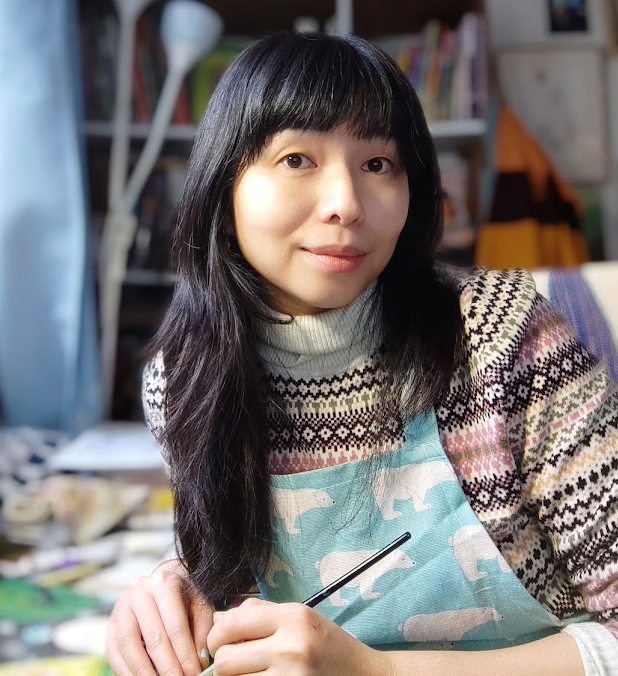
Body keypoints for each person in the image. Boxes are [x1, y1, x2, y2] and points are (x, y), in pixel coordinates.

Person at [105, 32, 618, 676]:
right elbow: (238, 598)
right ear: (222, 182)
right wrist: (180, 592)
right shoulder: (182, 377)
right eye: (297, 159)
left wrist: (378, 672)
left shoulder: (500, 335)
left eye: (378, 163)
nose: (346, 204)